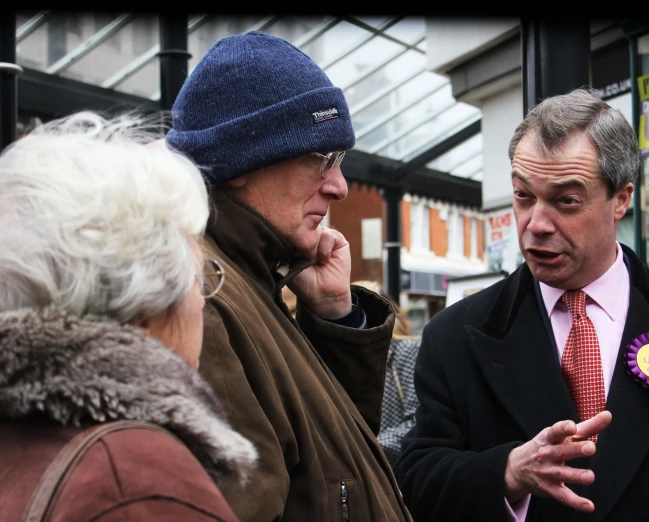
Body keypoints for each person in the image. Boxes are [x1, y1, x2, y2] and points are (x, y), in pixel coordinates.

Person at [394, 87, 649, 522]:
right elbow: (416, 477)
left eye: (566, 201)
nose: (536, 225)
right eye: (524, 195)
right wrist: (507, 471)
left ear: (621, 199)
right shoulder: (453, 337)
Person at [165, 31, 411, 521]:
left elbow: (331, 470)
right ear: (240, 161)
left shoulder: (252, 280)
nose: (339, 186)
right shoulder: (205, 297)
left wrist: (335, 317)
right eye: (321, 159)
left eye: (339, 162)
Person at [0, 112, 258, 521]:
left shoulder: (21, 440)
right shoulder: (135, 482)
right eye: (197, 280)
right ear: (144, 304)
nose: (203, 303)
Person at [352, 280, 422, 465]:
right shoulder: (345, 358)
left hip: (396, 471)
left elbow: (418, 420)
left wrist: (367, 448)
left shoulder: (404, 350)